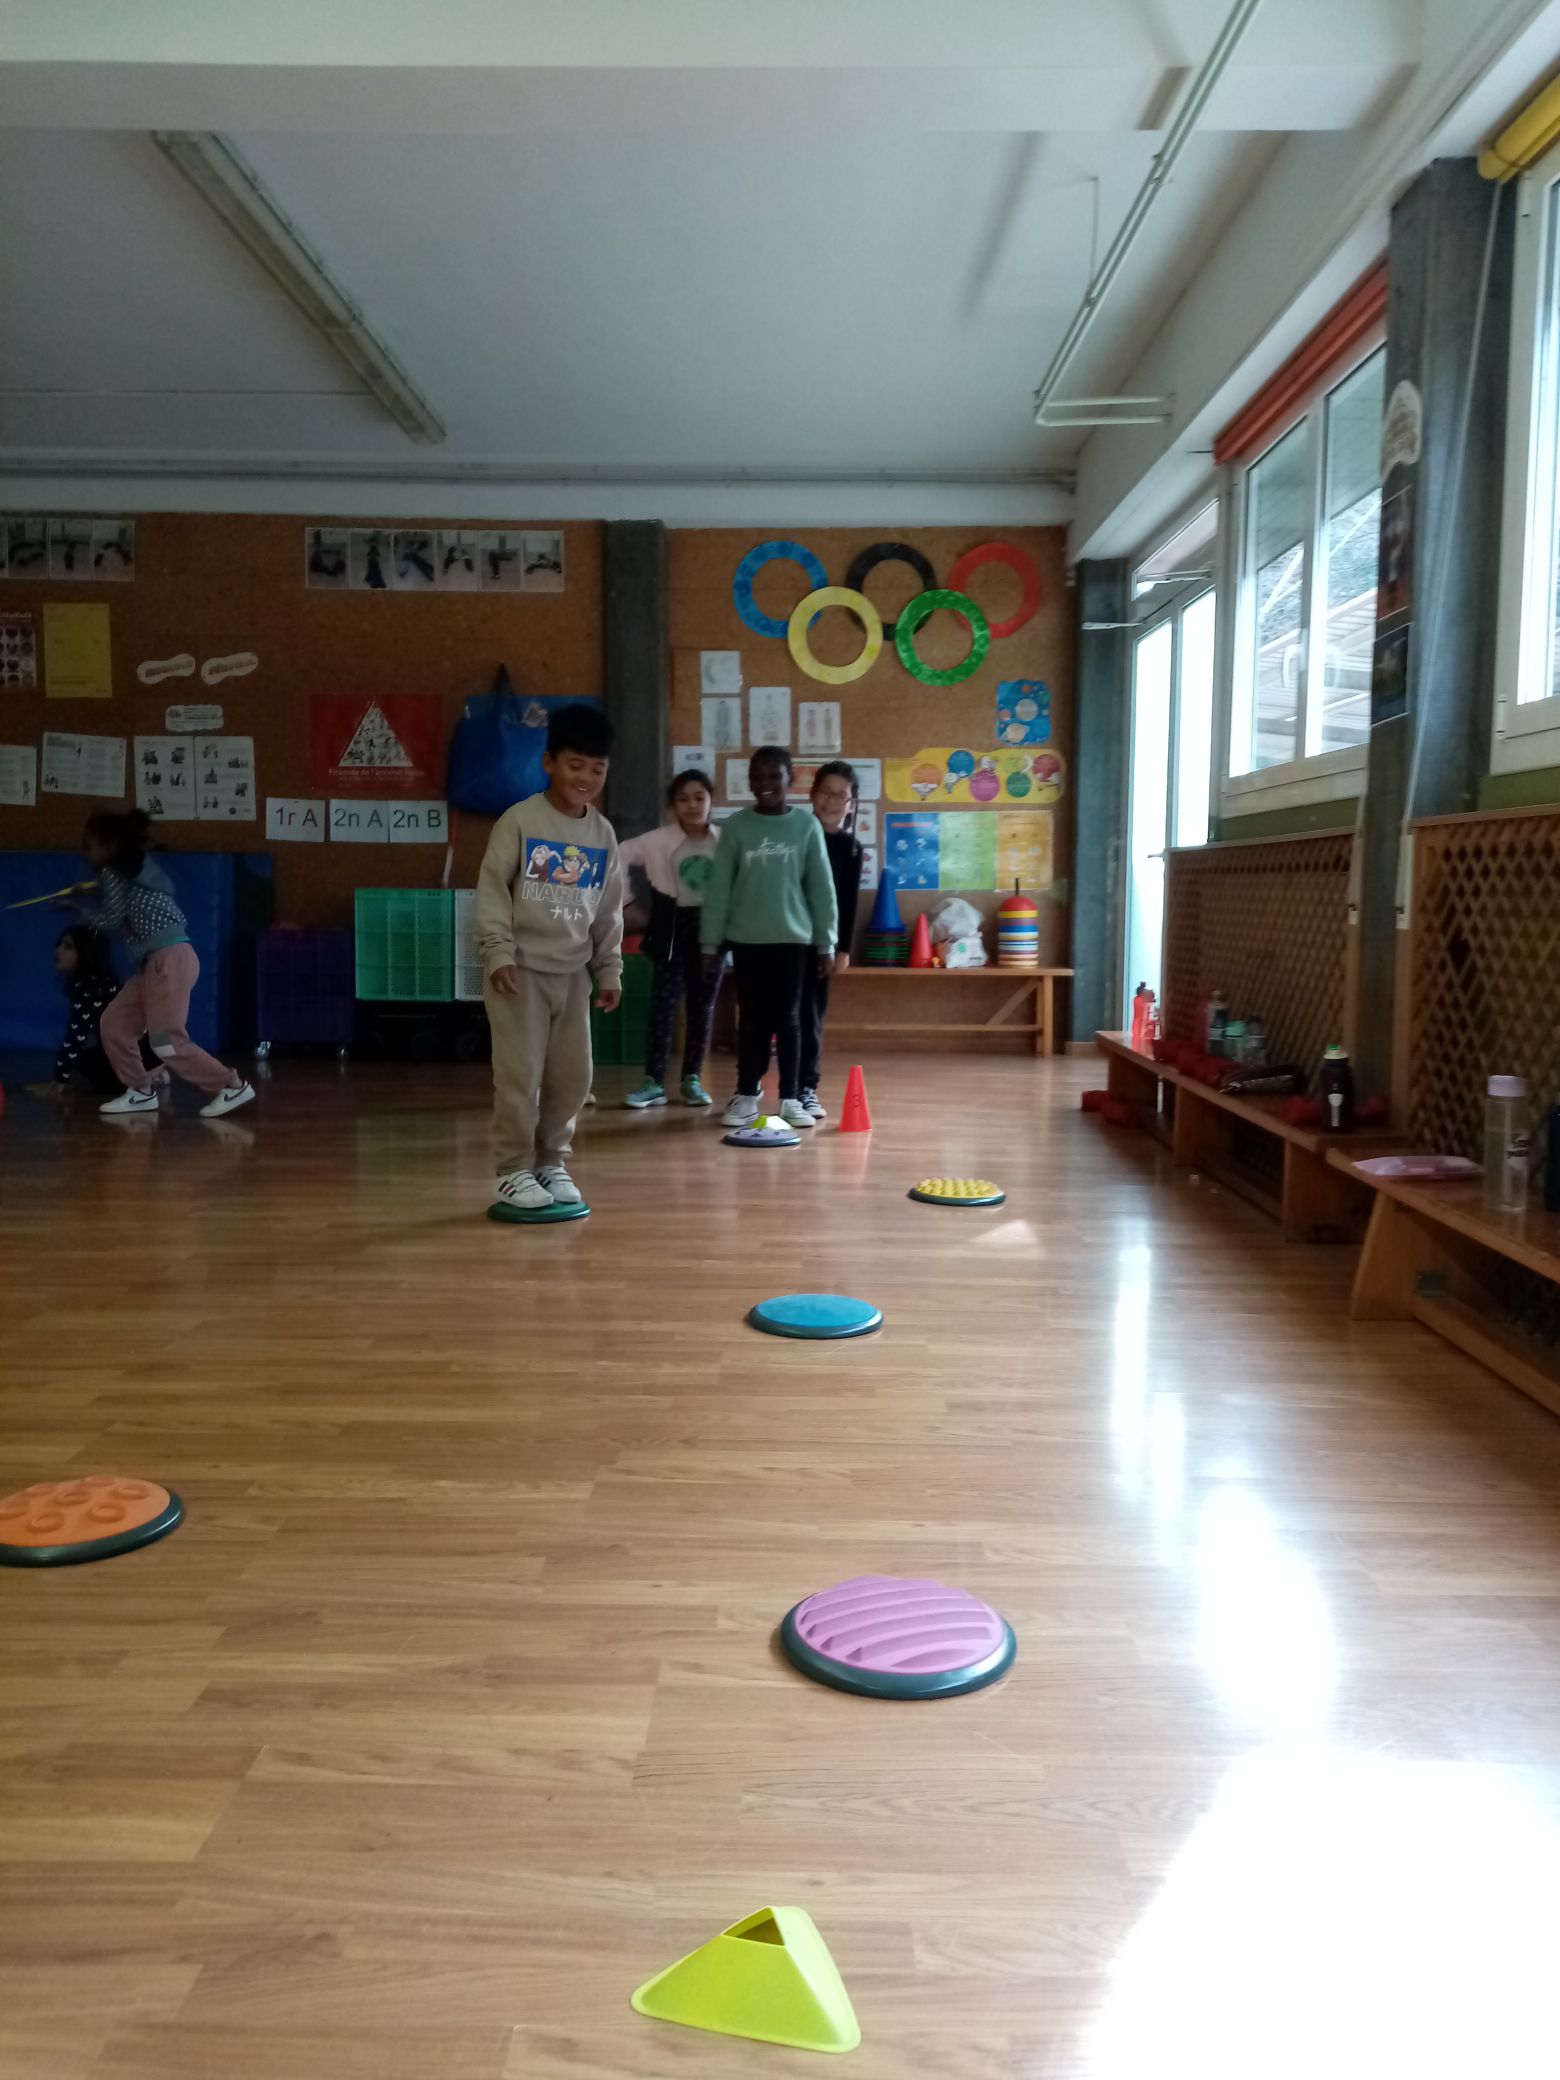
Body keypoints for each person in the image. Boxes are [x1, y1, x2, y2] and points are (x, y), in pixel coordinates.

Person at [475, 703, 623, 1213]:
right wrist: (498, 953)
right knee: (520, 1077)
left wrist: (609, 968)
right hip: (519, 975)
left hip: (573, 976)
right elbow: (492, 891)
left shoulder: (602, 835)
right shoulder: (519, 821)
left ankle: (550, 1161)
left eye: (597, 769)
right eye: (575, 765)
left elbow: (608, 910)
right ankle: (511, 1169)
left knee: (573, 1078)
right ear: (549, 763)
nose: (586, 778)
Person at [73, 810, 254, 1118]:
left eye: (89, 845)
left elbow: (112, 918)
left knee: (166, 1041)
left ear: (108, 845)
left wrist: (80, 912)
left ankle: (231, 1084)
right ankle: (140, 1091)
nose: (85, 851)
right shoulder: (136, 868)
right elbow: (126, 900)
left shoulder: (114, 872)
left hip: (165, 961)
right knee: (115, 1025)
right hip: (159, 962)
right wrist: (93, 890)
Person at [701, 745, 836, 1132]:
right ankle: (747, 1092)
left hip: (793, 941)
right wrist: (710, 944)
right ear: (749, 782)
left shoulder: (806, 827)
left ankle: (791, 1097)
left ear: (789, 780)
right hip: (747, 941)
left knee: (789, 1018)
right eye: (757, 776)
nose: (765, 783)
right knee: (752, 1019)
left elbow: (821, 890)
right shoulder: (737, 828)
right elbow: (719, 889)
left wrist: (826, 943)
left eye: (774, 776)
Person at [618, 768, 723, 1109]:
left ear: (711, 800)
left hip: (712, 929)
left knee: (702, 1005)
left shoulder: (724, 840)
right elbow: (618, 854)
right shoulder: (657, 840)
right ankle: (653, 1082)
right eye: (683, 799)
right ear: (673, 805)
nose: (692, 805)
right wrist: (627, 903)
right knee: (662, 1005)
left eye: (699, 797)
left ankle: (692, 1079)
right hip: (671, 925)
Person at [798, 759, 864, 1121]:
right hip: (786, 938)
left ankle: (806, 1087)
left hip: (822, 946)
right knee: (774, 1013)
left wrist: (843, 949)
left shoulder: (851, 849)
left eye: (842, 795)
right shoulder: (795, 835)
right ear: (812, 794)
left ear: (851, 804)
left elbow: (849, 902)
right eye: (826, 792)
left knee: (811, 1015)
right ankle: (754, 1084)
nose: (832, 801)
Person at [26, 926, 155, 1100]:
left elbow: (75, 1038)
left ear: (86, 954)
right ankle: (149, 1072)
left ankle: (144, 1077)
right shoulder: (96, 985)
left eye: (68, 946)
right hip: (148, 1051)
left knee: (86, 1062)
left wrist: (60, 1079)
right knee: (88, 1056)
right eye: (59, 944)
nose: (58, 950)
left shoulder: (93, 991)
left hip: (145, 1051)